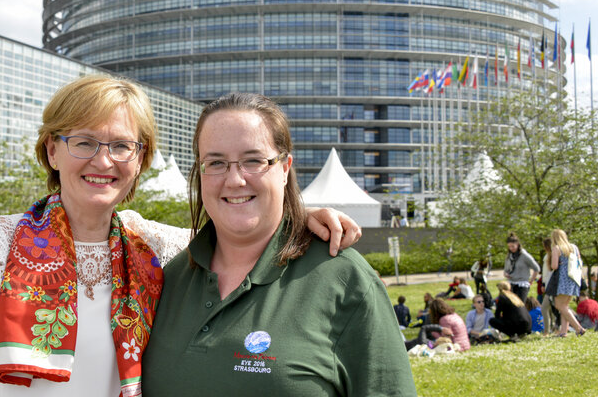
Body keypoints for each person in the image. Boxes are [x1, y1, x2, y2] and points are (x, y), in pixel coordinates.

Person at [0, 76, 360, 396]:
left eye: (122, 146)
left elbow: (241, 228)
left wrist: (299, 216)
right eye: (83, 142)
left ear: (140, 159)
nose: (103, 160)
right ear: (52, 150)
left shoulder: (152, 247)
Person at [142, 92, 417, 395]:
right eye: (216, 162)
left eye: (254, 161)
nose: (234, 180)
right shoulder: (164, 279)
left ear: (285, 168)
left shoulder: (345, 280)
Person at [547, 229, 586, 337]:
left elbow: (554, 266)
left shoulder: (556, 248)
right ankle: (564, 331)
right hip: (574, 279)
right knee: (565, 306)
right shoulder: (574, 247)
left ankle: (579, 328)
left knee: (559, 305)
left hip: (563, 280)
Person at [502, 232, 540, 302]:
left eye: (513, 246)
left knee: (520, 306)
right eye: (509, 247)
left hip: (522, 284)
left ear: (517, 244)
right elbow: (506, 269)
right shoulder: (509, 256)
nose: (511, 248)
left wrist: (531, 281)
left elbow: (536, 268)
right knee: (511, 306)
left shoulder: (524, 255)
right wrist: (505, 274)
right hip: (511, 283)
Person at [540, 238, 559, 335]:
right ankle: (552, 329)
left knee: (546, 308)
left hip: (552, 286)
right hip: (548, 285)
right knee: (551, 309)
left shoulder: (552, 257)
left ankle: (548, 331)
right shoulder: (547, 256)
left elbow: (548, 273)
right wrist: (543, 284)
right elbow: (545, 273)